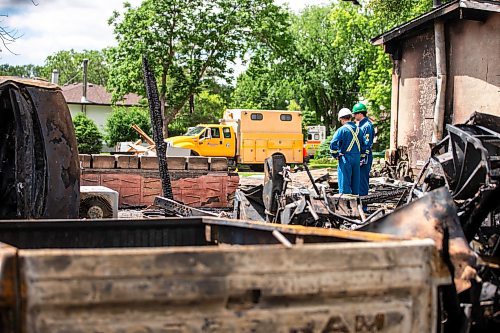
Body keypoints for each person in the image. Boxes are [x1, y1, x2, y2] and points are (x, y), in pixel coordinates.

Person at [330, 108, 365, 195]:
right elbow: (364, 146)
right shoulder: (359, 130)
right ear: (350, 117)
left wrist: (336, 154)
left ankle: (345, 206)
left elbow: (333, 143)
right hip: (356, 159)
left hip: (345, 158)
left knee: (344, 184)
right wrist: (361, 158)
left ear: (341, 119)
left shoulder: (342, 130)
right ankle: (356, 205)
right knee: (355, 184)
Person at [352, 102, 375, 197]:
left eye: (355, 114)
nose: (354, 116)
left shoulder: (367, 126)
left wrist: (362, 158)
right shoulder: (361, 125)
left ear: (360, 114)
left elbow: (366, 144)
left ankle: (363, 206)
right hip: (361, 157)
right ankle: (359, 204)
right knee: (358, 181)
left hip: (364, 158)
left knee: (362, 182)